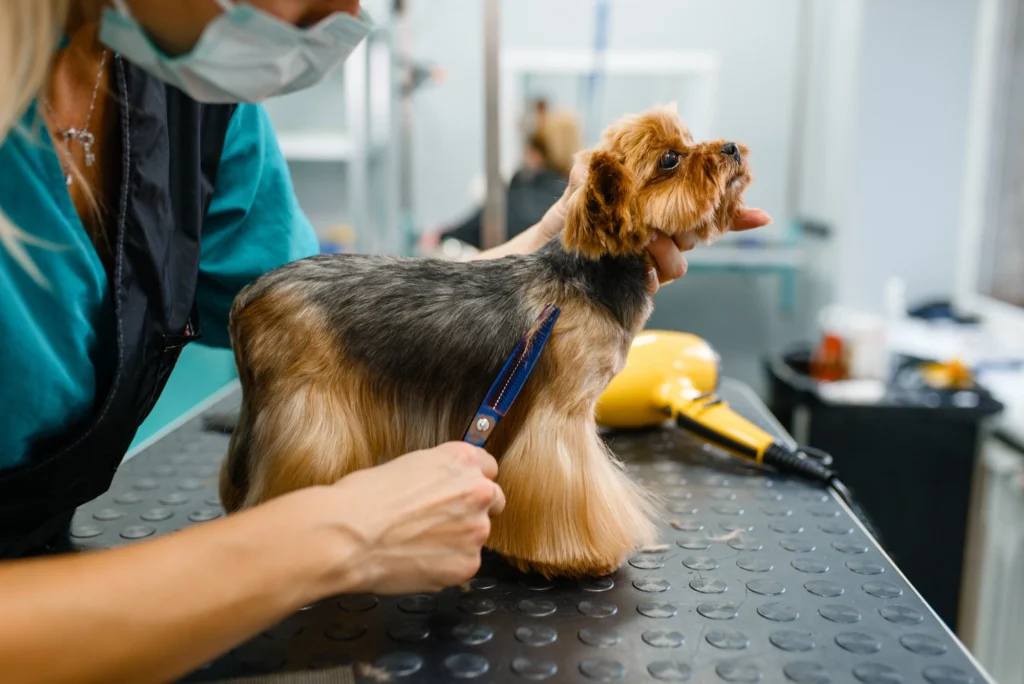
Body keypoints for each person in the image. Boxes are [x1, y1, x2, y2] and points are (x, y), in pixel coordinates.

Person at [0, 1, 773, 682]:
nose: (348, 11)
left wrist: (553, 247)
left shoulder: (200, 107)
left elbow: (358, 314)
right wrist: (332, 538)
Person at [422, 108, 582, 251]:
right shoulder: (577, 205)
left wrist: (439, 236)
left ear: (535, 153)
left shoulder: (513, 197)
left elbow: (467, 231)